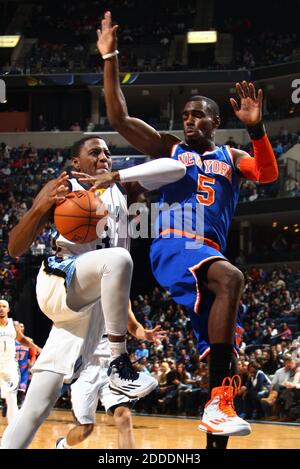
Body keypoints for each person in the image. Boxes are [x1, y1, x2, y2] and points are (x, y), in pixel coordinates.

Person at [97, 11, 278, 449]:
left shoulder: (233, 157)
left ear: (216, 122)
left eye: (198, 115)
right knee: (232, 276)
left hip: (207, 250)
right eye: (185, 115)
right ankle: (217, 405)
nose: (190, 121)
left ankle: (217, 424)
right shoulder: (169, 147)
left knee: (228, 361)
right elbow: (120, 118)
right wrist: (109, 57)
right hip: (175, 246)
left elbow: (268, 174)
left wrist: (256, 128)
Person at [1, 135, 185, 448]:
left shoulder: (122, 188)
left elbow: (177, 168)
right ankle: (120, 365)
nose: (103, 156)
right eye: (95, 152)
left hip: (92, 309)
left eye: (108, 153)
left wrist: (118, 175)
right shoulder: (64, 186)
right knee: (119, 258)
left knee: (37, 405)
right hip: (60, 282)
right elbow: (15, 247)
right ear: (76, 162)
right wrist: (43, 206)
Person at [56, 307, 167, 449]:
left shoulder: (119, 291)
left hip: (114, 365)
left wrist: (144, 334)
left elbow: (132, 325)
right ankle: (63, 444)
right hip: (84, 366)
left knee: (124, 417)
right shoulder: (79, 290)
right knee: (85, 428)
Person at [0, 299, 41, 424]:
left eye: (4, 306)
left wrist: (37, 348)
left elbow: (22, 339)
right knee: (7, 395)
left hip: (9, 366)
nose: (1, 308)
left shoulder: (14, 324)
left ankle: (13, 429)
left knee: (11, 397)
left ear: (8, 309)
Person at [15, 323, 38, 405]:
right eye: (18, 326)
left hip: (23, 369)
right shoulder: (9, 340)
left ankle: (20, 403)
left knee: (21, 390)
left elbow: (33, 355)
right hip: (12, 368)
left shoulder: (29, 341)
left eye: (22, 326)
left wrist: (31, 364)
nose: (20, 328)